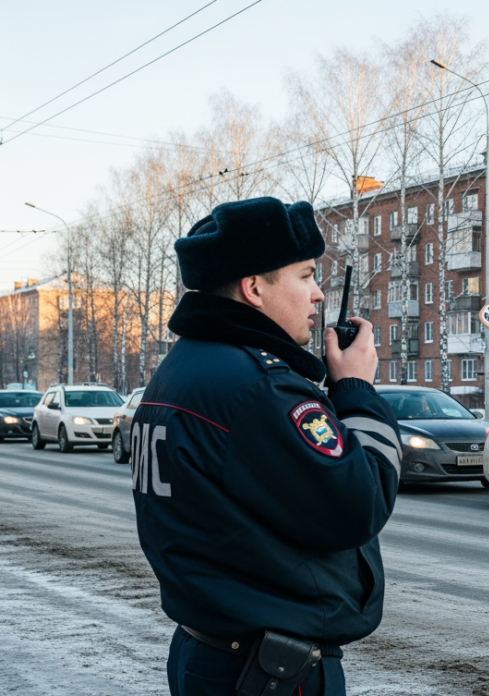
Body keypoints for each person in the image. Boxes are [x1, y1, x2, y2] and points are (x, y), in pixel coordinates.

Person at [131, 197, 401, 696]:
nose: (319, 295)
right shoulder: (260, 386)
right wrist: (357, 390)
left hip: (210, 649)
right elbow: (359, 503)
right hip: (267, 672)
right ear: (254, 288)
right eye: (304, 276)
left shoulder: (180, 370)